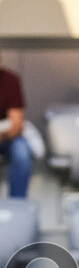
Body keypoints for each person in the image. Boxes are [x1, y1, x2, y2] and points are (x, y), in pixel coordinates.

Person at [0, 53, 32, 199]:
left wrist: (2, 135)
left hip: (6, 136)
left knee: (22, 152)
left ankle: (17, 205)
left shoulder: (10, 80)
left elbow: (17, 125)